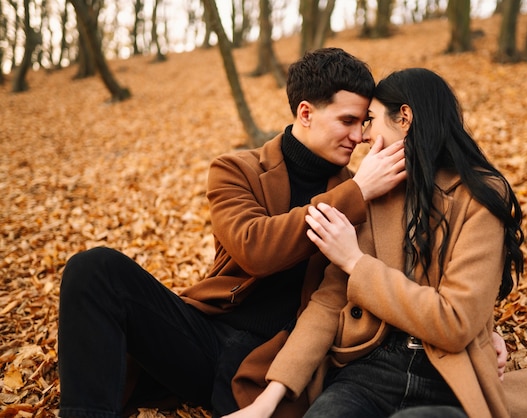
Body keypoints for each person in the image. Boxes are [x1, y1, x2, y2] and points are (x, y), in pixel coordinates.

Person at [56, 47, 408, 418]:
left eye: (363, 122)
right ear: (305, 113)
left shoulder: (361, 190)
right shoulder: (238, 169)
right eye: (347, 120)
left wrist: (363, 190)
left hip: (273, 360)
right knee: (93, 268)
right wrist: (356, 193)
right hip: (205, 336)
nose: (359, 136)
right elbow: (254, 248)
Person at [226, 67, 525, 418]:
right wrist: (267, 400)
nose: (363, 136)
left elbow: (455, 321)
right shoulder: (376, 194)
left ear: (405, 118)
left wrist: (356, 263)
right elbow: (328, 302)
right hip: (366, 369)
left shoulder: (480, 197)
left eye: (369, 120)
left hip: (447, 375)